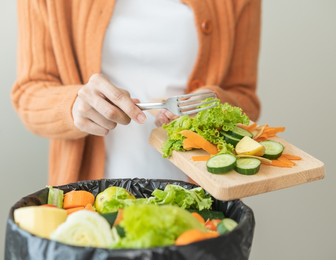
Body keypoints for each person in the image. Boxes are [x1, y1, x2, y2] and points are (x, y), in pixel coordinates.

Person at [11, 0, 262, 186]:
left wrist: (213, 105)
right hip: (89, 205)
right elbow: (30, 92)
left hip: (200, 203)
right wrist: (73, 106)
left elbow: (246, 99)